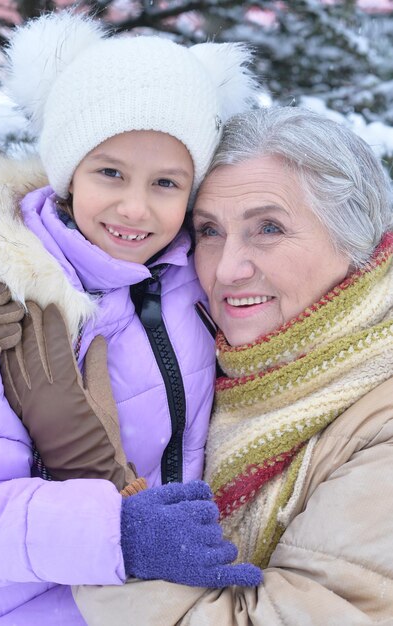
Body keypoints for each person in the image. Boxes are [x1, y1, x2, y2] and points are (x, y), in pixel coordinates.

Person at [0, 11, 262, 626]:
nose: (136, 208)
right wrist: (117, 535)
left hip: (165, 597)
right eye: (110, 172)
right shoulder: (5, 303)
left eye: (166, 182)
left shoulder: (200, 274)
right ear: (68, 171)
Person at [71, 106, 393, 625]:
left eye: (268, 227)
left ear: (355, 240)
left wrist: (102, 544)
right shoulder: (204, 363)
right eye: (208, 231)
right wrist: (21, 283)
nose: (226, 268)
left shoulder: (380, 422)